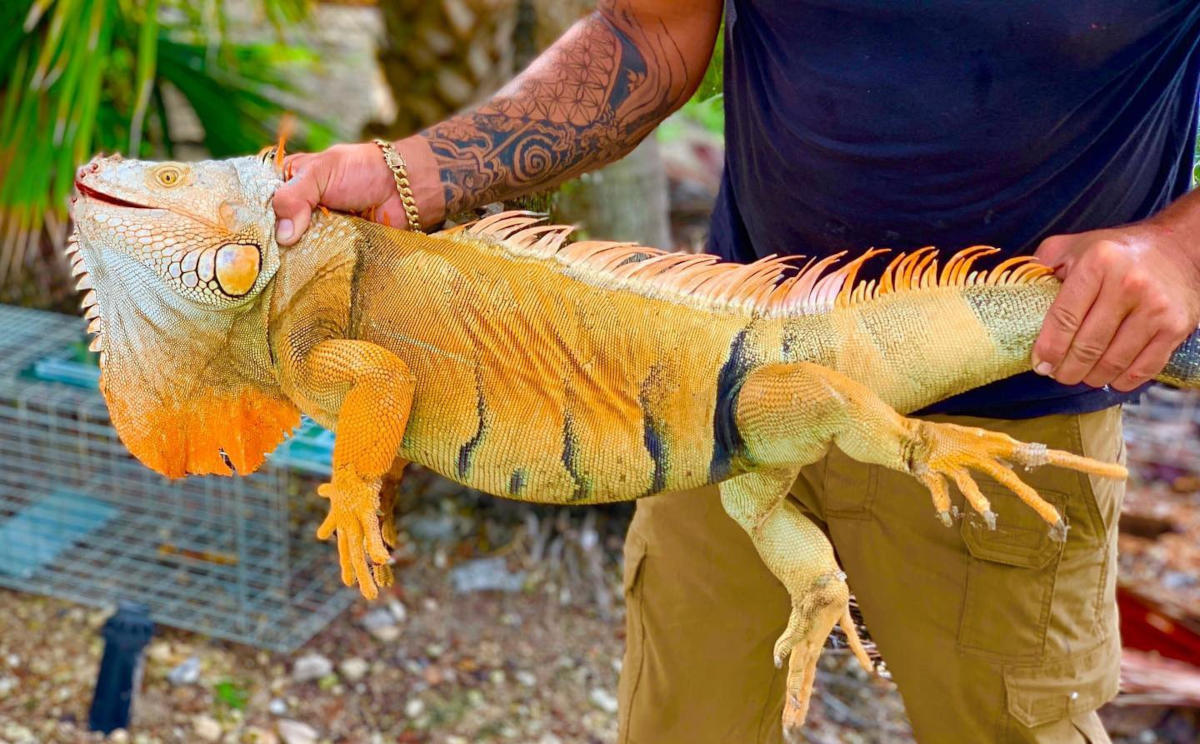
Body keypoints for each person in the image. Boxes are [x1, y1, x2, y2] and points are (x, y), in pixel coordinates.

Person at [273, 2, 1200, 742]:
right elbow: (653, 27)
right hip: (703, 383)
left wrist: (1179, 254)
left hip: (1004, 422)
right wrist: (421, 171)